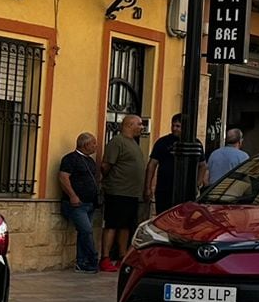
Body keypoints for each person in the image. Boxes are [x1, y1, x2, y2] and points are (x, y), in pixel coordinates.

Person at [101, 114, 147, 268]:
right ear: (129, 125)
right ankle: (106, 257)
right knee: (113, 224)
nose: (142, 127)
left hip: (132, 193)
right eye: (139, 124)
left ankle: (122, 255)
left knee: (126, 226)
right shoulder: (117, 142)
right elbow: (106, 165)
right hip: (118, 191)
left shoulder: (133, 143)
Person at [56, 132, 101, 273]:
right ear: (86, 144)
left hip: (90, 203)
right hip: (77, 204)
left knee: (84, 233)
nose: (96, 146)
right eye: (94, 143)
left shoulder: (90, 161)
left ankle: (82, 262)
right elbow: (63, 177)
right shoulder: (70, 159)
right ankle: (93, 259)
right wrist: (72, 195)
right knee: (86, 231)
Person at [145, 113, 184, 216]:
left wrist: (197, 184)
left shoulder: (194, 143)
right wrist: (148, 187)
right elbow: (152, 164)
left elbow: (202, 165)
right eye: (173, 125)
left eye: (178, 126)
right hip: (164, 188)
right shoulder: (162, 142)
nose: (174, 128)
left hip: (184, 190)